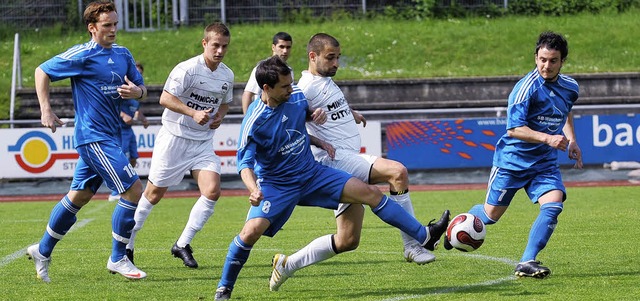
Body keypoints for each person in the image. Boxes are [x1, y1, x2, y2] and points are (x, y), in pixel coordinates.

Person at [213, 56, 448, 300]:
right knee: (250, 232)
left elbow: (300, 120)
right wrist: (253, 189)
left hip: (312, 174)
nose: (291, 89)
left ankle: (424, 236)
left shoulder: (296, 97)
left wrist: (317, 129)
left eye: (292, 83)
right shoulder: (254, 120)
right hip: (278, 185)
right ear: (266, 88)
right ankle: (224, 288)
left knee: (370, 194)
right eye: (285, 86)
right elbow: (244, 163)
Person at [267, 32, 449, 292]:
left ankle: (287, 264)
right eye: (330, 58)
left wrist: (350, 113)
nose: (336, 63)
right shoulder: (303, 88)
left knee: (347, 240)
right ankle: (414, 245)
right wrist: (310, 121)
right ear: (312, 56)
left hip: (346, 160)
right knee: (397, 172)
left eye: (338, 57)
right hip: (335, 160)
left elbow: (326, 108)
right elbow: (288, 124)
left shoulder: (324, 81)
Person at [444, 31, 583, 279]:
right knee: (489, 216)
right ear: (535, 57)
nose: (546, 66)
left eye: (553, 61)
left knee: (553, 205)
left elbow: (566, 111)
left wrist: (571, 139)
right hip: (512, 162)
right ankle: (452, 228)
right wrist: (549, 138)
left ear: (563, 61)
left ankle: (527, 261)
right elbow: (514, 129)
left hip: (544, 165)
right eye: (542, 59)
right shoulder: (525, 89)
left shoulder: (570, 87)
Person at [26, 0, 148, 282]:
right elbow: (41, 71)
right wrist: (46, 109)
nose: (113, 29)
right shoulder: (82, 55)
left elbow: (142, 88)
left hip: (112, 136)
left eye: (115, 24)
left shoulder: (123, 54)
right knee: (133, 189)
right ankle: (118, 257)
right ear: (92, 28)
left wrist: (136, 93)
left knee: (78, 196)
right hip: (93, 137)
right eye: (107, 25)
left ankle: (42, 250)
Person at [124, 22, 233, 269]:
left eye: (224, 46)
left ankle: (182, 244)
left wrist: (220, 116)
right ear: (204, 43)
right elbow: (165, 98)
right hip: (174, 138)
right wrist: (193, 113)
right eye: (215, 45)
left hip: (202, 143)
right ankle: (127, 244)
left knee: (212, 190)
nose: (220, 51)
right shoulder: (187, 69)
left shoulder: (227, 74)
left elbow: (225, 101)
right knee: (153, 194)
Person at [109, 61, 149, 202]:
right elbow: (112, 104)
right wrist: (122, 114)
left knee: (133, 159)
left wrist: (143, 119)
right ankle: (116, 191)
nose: (137, 75)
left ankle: (128, 184)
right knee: (122, 160)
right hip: (119, 130)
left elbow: (135, 111)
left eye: (140, 73)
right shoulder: (122, 89)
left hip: (129, 131)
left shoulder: (136, 92)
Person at [241, 32, 293, 114]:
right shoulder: (264, 69)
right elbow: (247, 94)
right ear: (273, 47)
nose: (285, 51)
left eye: (288, 47)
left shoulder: (288, 70)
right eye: (281, 47)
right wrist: (247, 120)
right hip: (263, 117)